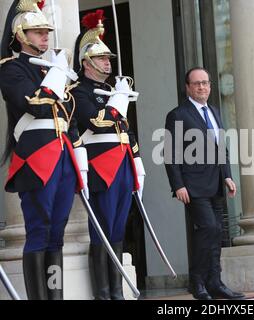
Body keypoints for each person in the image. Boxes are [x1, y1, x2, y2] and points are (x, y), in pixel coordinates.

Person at [0, 0, 86, 299]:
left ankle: (55, 295)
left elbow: (69, 116)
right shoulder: (12, 70)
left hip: (62, 158)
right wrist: (58, 74)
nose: (45, 36)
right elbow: (34, 106)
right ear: (22, 35)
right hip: (36, 159)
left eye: (46, 31)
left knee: (57, 235)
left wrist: (81, 162)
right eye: (37, 32)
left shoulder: (50, 69)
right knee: (39, 231)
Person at [71, 10, 145, 300]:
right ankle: (102, 293)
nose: (107, 63)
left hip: (122, 165)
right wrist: (118, 100)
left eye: (108, 59)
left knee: (117, 230)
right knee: (100, 230)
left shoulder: (112, 89)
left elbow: (127, 129)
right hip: (99, 166)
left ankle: (116, 291)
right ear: (87, 63)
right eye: (102, 59)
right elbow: (94, 120)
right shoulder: (79, 91)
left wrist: (137, 159)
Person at [164, 67, 244, 300]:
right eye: (197, 83)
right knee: (208, 228)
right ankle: (197, 282)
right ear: (188, 87)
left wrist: (228, 176)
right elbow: (171, 154)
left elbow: (222, 149)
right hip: (192, 186)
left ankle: (215, 282)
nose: (202, 87)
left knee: (217, 232)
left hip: (216, 183)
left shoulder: (215, 112)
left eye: (205, 83)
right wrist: (177, 185)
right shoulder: (178, 114)